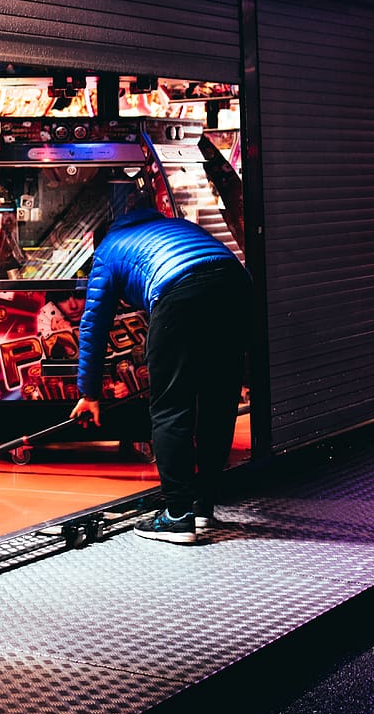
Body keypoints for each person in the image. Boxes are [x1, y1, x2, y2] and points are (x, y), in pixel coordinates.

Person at [70, 206, 250, 544]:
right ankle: (202, 504)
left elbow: (93, 326)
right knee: (218, 402)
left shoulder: (107, 251)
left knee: (171, 406)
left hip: (180, 292)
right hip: (235, 285)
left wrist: (89, 393)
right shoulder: (173, 226)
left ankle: (177, 516)